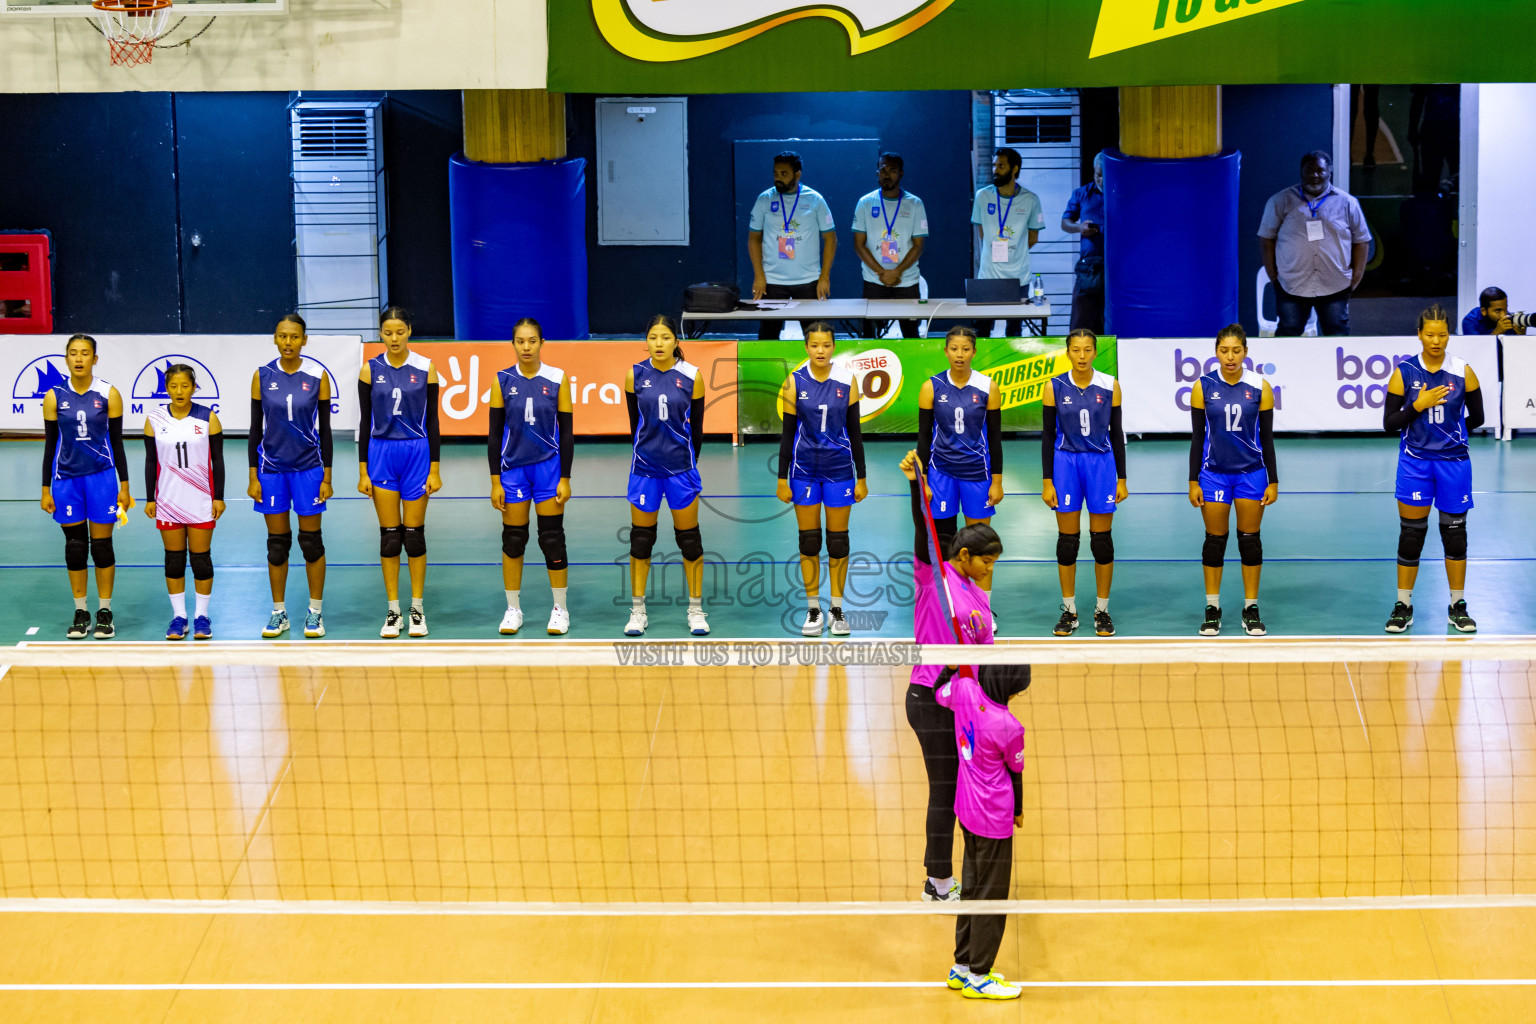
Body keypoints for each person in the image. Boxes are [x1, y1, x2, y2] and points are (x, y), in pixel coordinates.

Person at [897, 449, 999, 906]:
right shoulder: (933, 579)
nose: (990, 569)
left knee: (960, 787)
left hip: (963, 703)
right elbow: (923, 530)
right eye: (986, 562)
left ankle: (950, 874)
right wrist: (917, 487)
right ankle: (937, 883)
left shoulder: (978, 597)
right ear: (963, 556)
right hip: (929, 699)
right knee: (945, 789)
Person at [1382, 304, 1484, 634]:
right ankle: (1403, 605)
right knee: (1412, 535)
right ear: (1419, 335)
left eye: (1442, 335)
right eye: (1430, 334)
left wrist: (1452, 435)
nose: (1436, 341)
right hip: (1415, 463)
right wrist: (1417, 405)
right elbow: (1389, 423)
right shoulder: (1404, 373)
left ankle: (1457, 605)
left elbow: (1478, 418)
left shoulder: (1463, 371)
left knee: (1455, 537)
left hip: (1454, 464)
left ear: (1449, 334)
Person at [934, 659, 1030, 1001]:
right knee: (991, 897)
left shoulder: (962, 691)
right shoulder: (1009, 725)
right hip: (994, 818)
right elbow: (1014, 772)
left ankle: (961, 968)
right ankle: (979, 975)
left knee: (972, 888)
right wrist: (1018, 809)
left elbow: (938, 693)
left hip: (966, 811)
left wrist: (952, 667)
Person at [776, 322, 867, 636]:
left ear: (833, 347)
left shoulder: (847, 380)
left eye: (826, 345)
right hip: (804, 472)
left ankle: (837, 610)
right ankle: (814, 609)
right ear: (806, 347)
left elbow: (855, 434)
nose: (820, 351)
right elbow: (787, 436)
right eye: (814, 345)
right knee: (810, 541)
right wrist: (781, 478)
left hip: (840, 470)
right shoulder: (794, 382)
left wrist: (862, 476)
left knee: (838, 542)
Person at [1188, 325, 1278, 637]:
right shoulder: (1202, 386)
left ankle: (1250, 607)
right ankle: (1212, 607)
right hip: (1213, 475)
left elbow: (1267, 438)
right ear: (1216, 352)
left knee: (1250, 542)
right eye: (1224, 350)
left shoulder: (1260, 387)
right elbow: (1198, 438)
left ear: (1245, 352)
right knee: (1214, 542)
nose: (1230, 357)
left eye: (1236, 351)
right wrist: (1193, 480)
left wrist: (1273, 480)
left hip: (1251, 474)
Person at [623, 314, 710, 637]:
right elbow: (635, 426)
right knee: (641, 540)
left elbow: (697, 431)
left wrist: (686, 462)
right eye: (653, 337)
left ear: (676, 341)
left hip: (681, 471)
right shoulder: (635, 375)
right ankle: (637, 611)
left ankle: (696, 609)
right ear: (646, 341)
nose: (658, 344)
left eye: (665, 337)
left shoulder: (692, 376)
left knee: (690, 541)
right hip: (644, 470)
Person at [358, 306, 442, 639]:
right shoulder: (369, 370)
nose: (394, 338)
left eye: (400, 331)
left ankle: (417, 608)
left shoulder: (425, 368)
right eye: (388, 332)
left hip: (416, 452)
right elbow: (364, 423)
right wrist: (363, 470)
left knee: (414, 535)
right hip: (381, 453)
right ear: (381, 333)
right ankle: (393, 609)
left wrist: (435, 468)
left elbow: (434, 422)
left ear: (409, 330)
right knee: (391, 536)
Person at [40, 334, 131, 640]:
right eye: (73, 353)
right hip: (67, 481)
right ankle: (81, 611)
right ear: (66, 358)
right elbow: (51, 444)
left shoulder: (109, 393)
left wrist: (125, 485)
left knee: (102, 547)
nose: (79, 358)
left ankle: (105, 611)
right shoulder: (54, 396)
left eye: (85, 353)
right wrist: (45, 488)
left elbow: (117, 443)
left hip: (102, 478)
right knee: (76, 548)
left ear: (95, 358)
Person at [249, 313, 333, 640]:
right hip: (271, 470)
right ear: (275, 338)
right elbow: (255, 429)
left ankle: (314, 612)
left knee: (311, 544)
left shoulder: (317, 375)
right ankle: (278, 612)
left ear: (304, 340)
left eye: (294, 337)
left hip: (309, 468)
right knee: (277, 546)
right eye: (282, 336)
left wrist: (327, 476)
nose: (288, 342)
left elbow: (325, 430)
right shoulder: (261, 376)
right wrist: (253, 475)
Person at [488, 317, 573, 636]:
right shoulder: (502, 380)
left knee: (552, 539)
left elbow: (567, 433)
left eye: (532, 341)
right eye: (520, 341)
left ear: (541, 343)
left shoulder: (557, 378)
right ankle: (513, 609)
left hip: (549, 468)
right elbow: (494, 435)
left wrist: (565, 477)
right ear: (513, 344)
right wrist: (495, 480)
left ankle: (560, 609)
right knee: (513, 540)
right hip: (513, 471)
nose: (526, 347)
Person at [1041, 329, 1127, 637]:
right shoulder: (1054, 386)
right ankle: (1069, 611)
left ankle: (1102, 611)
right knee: (1067, 543)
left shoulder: (1109, 385)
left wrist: (1122, 477)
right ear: (1068, 353)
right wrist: (1047, 480)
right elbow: (1048, 435)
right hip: (1065, 464)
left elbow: (1117, 433)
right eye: (1076, 350)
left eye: (1087, 350)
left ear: (1094, 353)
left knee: (1102, 542)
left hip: (1101, 465)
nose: (1081, 355)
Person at [918, 327, 1003, 608]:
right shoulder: (931, 386)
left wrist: (997, 480)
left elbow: (995, 438)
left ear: (974, 352)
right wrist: (924, 480)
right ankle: (952, 603)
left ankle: (983, 608)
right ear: (945, 351)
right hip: (941, 473)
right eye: (954, 348)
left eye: (965, 349)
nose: (960, 354)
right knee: (945, 542)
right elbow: (923, 439)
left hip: (977, 474)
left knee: (981, 544)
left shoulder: (987, 386)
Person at [144, 364, 224, 641]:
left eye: (185, 386)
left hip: (200, 498)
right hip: (168, 499)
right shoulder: (154, 418)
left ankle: (202, 617)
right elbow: (150, 461)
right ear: (166, 388)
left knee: (201, 560)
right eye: (173, 386)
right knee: (174, 561)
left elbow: (218, 460)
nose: (179, 391)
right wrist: (150, 498)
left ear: (194, 387)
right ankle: (179, 617)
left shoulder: (207, 418)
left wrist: (219, 497)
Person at [1258, 151, 1372, 337]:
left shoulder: (1348, 203)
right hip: (1292, 285)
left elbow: (1362, 240)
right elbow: (1266, 239)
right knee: (1288, 334)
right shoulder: (1280, 201)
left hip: (1335, 285)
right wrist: (1274, 276)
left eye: (1320, 170)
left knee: (1337, 335)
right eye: (1309, 170)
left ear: (1330, 172)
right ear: (1301, 172)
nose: (1315, 175)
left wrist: (1355, 277)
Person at [748, 151, 837, 340]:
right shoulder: (764, 199)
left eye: (784, 174)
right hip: (772, 282)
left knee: (815, 335)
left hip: (808, 281)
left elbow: (831, 239)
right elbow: (754, 238)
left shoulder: (815, 200)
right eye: (775, 173)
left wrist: (824, 277)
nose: (778, 178)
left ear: (798, 174)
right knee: (768, 336)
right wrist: (759, 275)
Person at [852, 152, 928, 339]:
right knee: (869, 335)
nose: (887, 174)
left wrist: (897, 272)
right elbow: (859, 245)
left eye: (892, 170)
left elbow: (918, 246)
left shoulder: (915, 204)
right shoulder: (865, 203)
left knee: (910, 335)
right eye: (883, 170)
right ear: (877, 173)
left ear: (901, 173)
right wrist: (882, 273)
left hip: (907, 281)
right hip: (873, 280)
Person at [971, 146, 1044, 338]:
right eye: (994, 165)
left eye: (1001, 166)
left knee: (1014, 332)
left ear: (1015, 169)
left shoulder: (1031, 200)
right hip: (987, 275)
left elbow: (1033, 238)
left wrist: (1013, 252)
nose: (995, 170)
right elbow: (982, 234)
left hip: (1018, 277)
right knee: (982, 331)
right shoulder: (983, 196)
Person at [1061, 152, 1106, 333]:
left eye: (1104, 175)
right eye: (1098, 174)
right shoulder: (1081, 194)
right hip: (1089, 267)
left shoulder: (1123, 194)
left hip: (1118, 267)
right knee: (1082, 319)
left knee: (1110, 320)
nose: (1101, 179)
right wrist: (1080, 228)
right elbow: (1065, 223)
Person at [1461, 286, 1527, 336]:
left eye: (1505, 309)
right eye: (1498, 311)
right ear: (1483, 311)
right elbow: (1476, 349)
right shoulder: (1470, 321)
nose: (1503, 315)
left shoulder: (1508, 319)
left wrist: (1520, 336)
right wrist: (1497, 332)